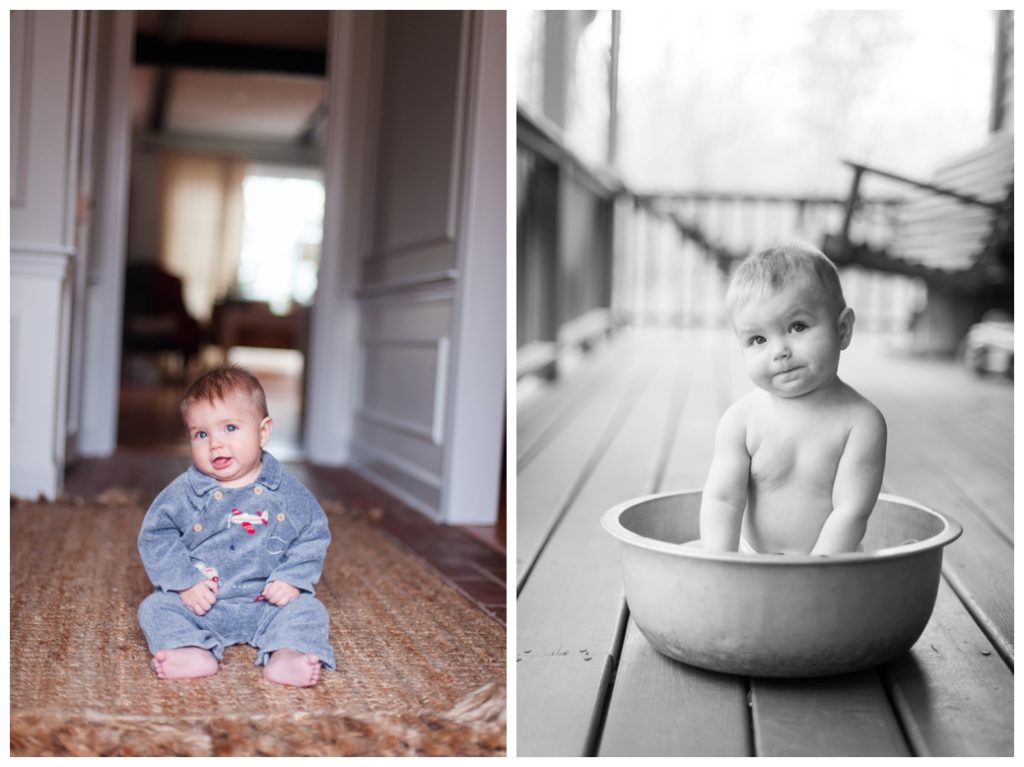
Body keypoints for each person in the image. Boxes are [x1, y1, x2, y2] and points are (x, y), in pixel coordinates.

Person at [137, 365, 335, 686]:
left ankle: (287, 655)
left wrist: (292, 578)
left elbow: (312, 532)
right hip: (203, 603)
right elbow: (156, 535)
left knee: (309, 610)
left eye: (229, 428)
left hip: (268, 603)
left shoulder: (285, 491)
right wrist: (184, 582)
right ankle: (190, 648)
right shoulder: (184, 492)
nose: (215, 443)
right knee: (155, 607)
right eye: (201, 434)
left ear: (263, 431)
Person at [699, 243, 887, 555]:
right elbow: (722, 500)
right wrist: (722, 563)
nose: (779, 351)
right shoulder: (741, 421)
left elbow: (851, 512)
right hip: (751, 559)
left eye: (797, 327)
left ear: (842, 330)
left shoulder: (860, 422)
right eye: (758, 339)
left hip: (831, 565)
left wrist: (813, 572)